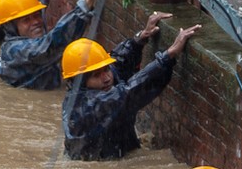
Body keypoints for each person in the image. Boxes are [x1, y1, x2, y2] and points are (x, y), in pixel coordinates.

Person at [60, 12, 201, 161]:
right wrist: (168, 56)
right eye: (97, 75)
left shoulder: (100, 83)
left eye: (106, 69)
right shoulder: (85, 106)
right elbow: (129, 93)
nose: (107, 77)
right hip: (96, 167)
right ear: (79, 81)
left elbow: (118, 63)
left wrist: (139, 39)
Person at [0, 0, 110, 90]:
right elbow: (51, 44)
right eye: (26, 20)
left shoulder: (26, 33)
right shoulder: (15, 51)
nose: (36, 22)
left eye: (36, 16)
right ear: (10, 26)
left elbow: (38, 4)